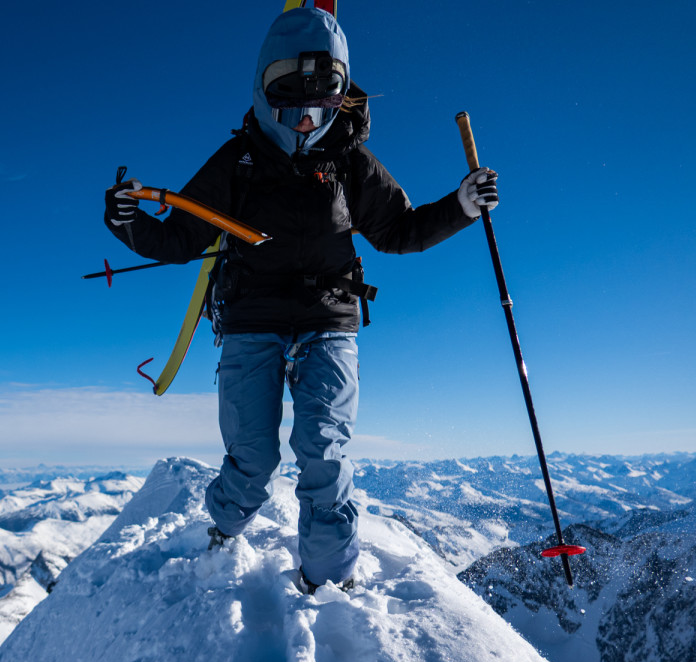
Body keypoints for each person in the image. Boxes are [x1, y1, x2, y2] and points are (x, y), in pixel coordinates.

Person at [103, 7, 498, 594]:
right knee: (252, 457)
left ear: (340, 91)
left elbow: (399, 230)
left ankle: (330, 587)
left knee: (324, 455)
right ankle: (224, 531)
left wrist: (460, 206)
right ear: (266, 88)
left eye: (321, 97)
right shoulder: (237, 161)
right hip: (251, 317)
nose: (307, 114)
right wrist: (127, 221)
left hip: (328, 319)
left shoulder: (349, 160)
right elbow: (181, 238)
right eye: (291, 97)